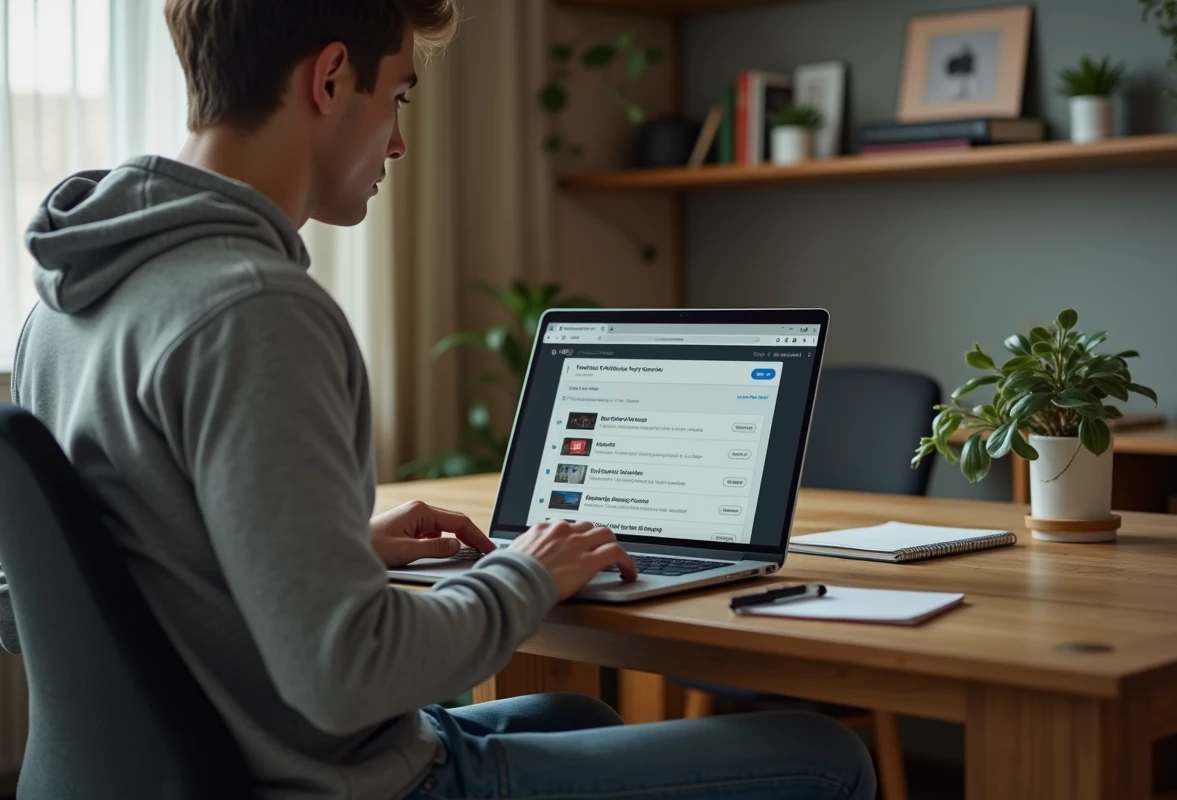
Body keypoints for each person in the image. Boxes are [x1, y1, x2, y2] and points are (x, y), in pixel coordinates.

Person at [4, 1, 876, 798]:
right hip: (329, 782)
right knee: (827, 756)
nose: (398, 144)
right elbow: (347, 673)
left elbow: (77, 594)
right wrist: (525, 572)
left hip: (192, 765)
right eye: (401, 98)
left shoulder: (71, 297)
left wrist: (333, 550)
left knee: (576, 717)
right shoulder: (254, 308)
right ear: (332, 76)